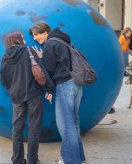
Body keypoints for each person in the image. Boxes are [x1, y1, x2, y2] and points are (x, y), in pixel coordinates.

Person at [29, 21, 86, 164]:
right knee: (74, 123)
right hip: (76, 85)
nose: (35, 38)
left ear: (44, 32)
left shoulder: (50, 44)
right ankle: (79, 158)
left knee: (66, 125)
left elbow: (48, 70)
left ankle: (71, 161)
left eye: (36, 35)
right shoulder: (64, 40)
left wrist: (41, 59)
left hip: (65, 86)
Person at [0, 32, 54, 164]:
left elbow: (3, 80)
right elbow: (41, 70)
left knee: (17, 128)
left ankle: (17, 160)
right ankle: (32, 160)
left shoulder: (5, 56)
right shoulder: (28, 50)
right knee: (34, 127)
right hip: (33, 95)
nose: (24, 40)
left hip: (16, 97)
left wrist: (12, 89)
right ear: (18, 40)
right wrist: (49, 87)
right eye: (22, 38)